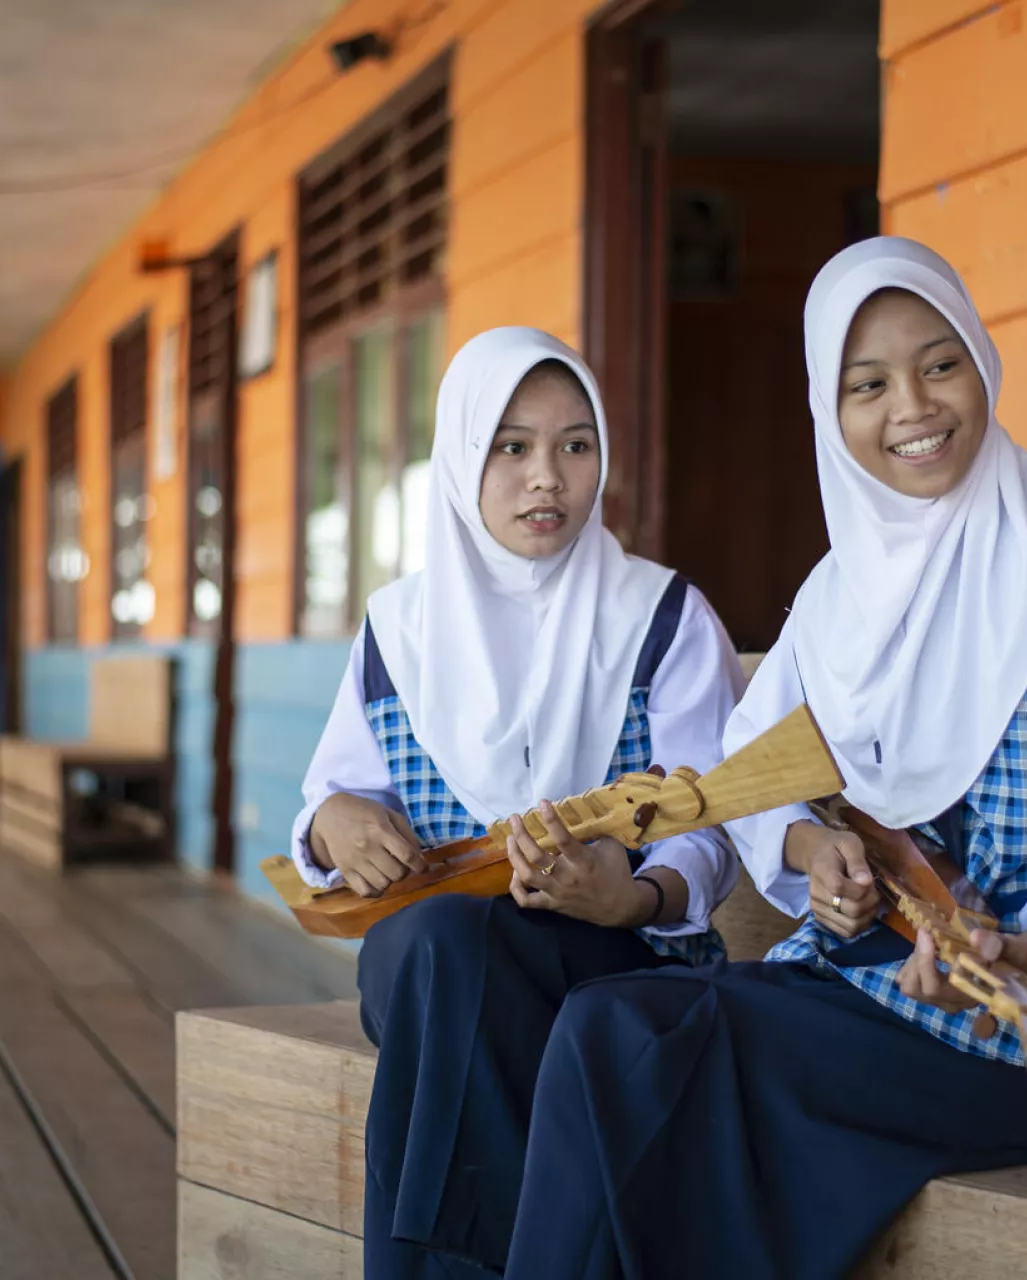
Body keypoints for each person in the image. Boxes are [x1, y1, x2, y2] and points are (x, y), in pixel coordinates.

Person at [502, 238, 1027, 1279]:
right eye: (868, 383)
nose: (913, 407)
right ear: (826, 412)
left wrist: (1026, 946)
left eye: (940, 364)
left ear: (984, 363)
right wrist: (809, 846)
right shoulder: (840, 596)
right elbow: (744, 775)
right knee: (610, 1028)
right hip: (879, 984)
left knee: (641, 1053)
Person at [289, 327, 745, 1277]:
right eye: (513, 446)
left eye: (576, 445)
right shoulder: (400, 627)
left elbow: (715, 820)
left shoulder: (660, 618)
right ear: (461, 457)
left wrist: (635, 896)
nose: (548, 477)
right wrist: (337, 825)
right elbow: (334, 797)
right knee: (448, 946)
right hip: (428, 968)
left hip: (613, 967)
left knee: (451, 964)